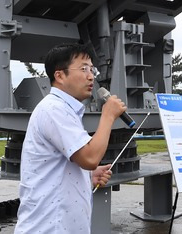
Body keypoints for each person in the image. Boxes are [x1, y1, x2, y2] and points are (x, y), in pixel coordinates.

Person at [15, 43, 127, 233]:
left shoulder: (64, 110)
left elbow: (60, 166)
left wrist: (89, 176)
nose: (91, 76)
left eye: (92, 69)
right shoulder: (54, 109)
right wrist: (108, 116)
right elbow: (90, 158)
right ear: (59, 75)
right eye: (83, 69)